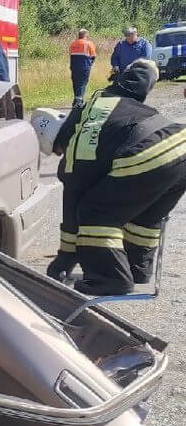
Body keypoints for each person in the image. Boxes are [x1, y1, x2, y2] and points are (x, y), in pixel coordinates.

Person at [46, 59, 186, 295]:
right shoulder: (95, 106)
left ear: (57, 138)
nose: (59, 154)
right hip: (179, 146)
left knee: (95, 211)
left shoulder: (75, 155)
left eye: (55, 150)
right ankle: (137, 269)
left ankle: (111, 279)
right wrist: (145, 68)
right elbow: (134, 86)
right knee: (144, 213)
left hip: (151, 153)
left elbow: (72, 213)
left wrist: (64, 260)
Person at [68, 28, 96, 108]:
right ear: (86, 35)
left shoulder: (73, 44)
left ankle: (76, 100)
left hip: (74, 67)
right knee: (82, 84)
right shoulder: (89, 44)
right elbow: (93, 56)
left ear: (79, 35)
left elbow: (71, 56)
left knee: (76, 84)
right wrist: (90, 64)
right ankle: (79, 102)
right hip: (85, 67)